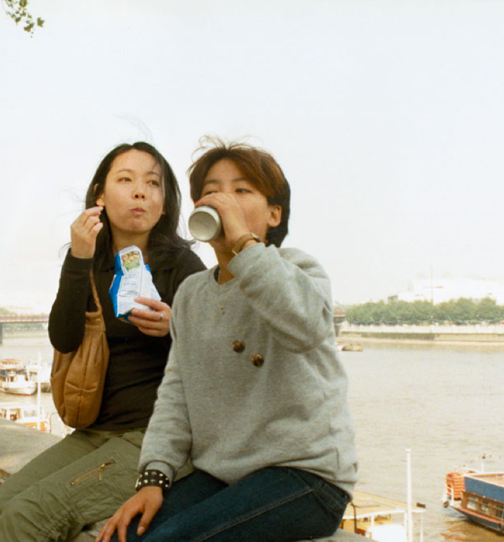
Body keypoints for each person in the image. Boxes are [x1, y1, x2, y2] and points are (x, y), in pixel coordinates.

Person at [97, 140, 359, 542]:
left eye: (241, 190)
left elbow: (308, 325)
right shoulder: (192, 293)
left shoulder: (298, 269)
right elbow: (176, 395)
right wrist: (154, 477)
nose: (224, 201)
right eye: (213, 191)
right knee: (125, 536)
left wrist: (244, 243)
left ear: (274, 213)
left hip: (305, 476)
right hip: (224, 475)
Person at [0, 142, 206, 542]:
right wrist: (78, 258)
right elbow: (64, 339)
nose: (140, 192)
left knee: (23, 521)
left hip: (154, 438)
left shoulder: (182, 266)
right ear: (100, 196)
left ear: (165, 204)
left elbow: (220, 349)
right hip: (94, 432)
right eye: (126, 180)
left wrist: (176, 324)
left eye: (153, 184)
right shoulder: (91, 261)